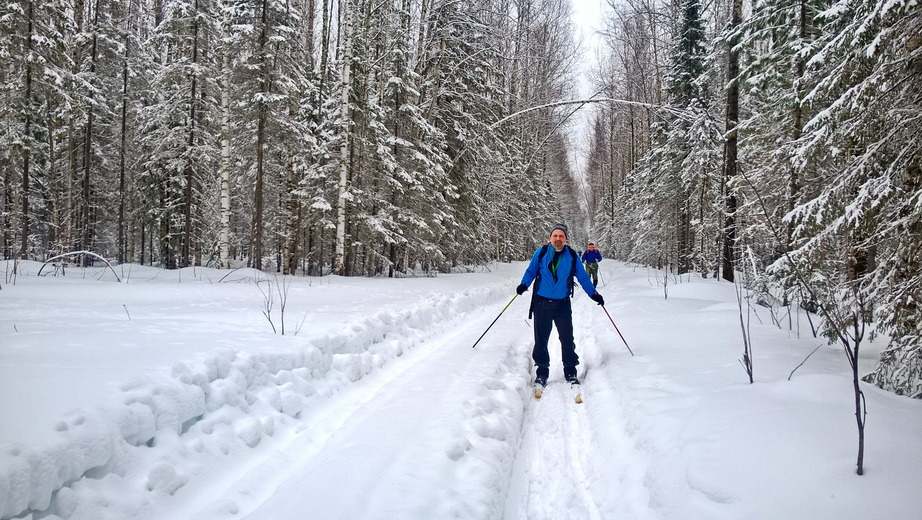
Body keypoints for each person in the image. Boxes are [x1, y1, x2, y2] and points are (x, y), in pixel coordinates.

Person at [516, 224, 604, 390]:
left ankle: (570, 370)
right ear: (550, 238)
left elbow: (583, 278)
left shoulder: (571, 255)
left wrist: (594, 294)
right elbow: (530, 272)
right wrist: (523, 285)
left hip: (562, 304)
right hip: (541, 303)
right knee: (541, 339)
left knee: (566, 338)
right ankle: (542, 372)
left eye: (561, 236)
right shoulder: (541, 253)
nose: (558, 239)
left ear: (565, 239)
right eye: (555, 236)